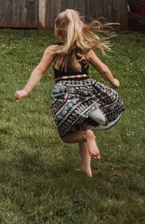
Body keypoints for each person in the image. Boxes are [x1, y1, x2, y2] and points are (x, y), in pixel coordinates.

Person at [14, 9, 124, 178]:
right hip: (86, 94)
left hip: (66, 96)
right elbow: (102, 68)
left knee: (67, 136)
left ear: (58, 31)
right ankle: (86, 168)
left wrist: (26, 90)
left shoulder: (53, 50)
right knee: (84, 127)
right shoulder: (86, 49)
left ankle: (86, 141)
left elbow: (39, 70)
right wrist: (113, 80)